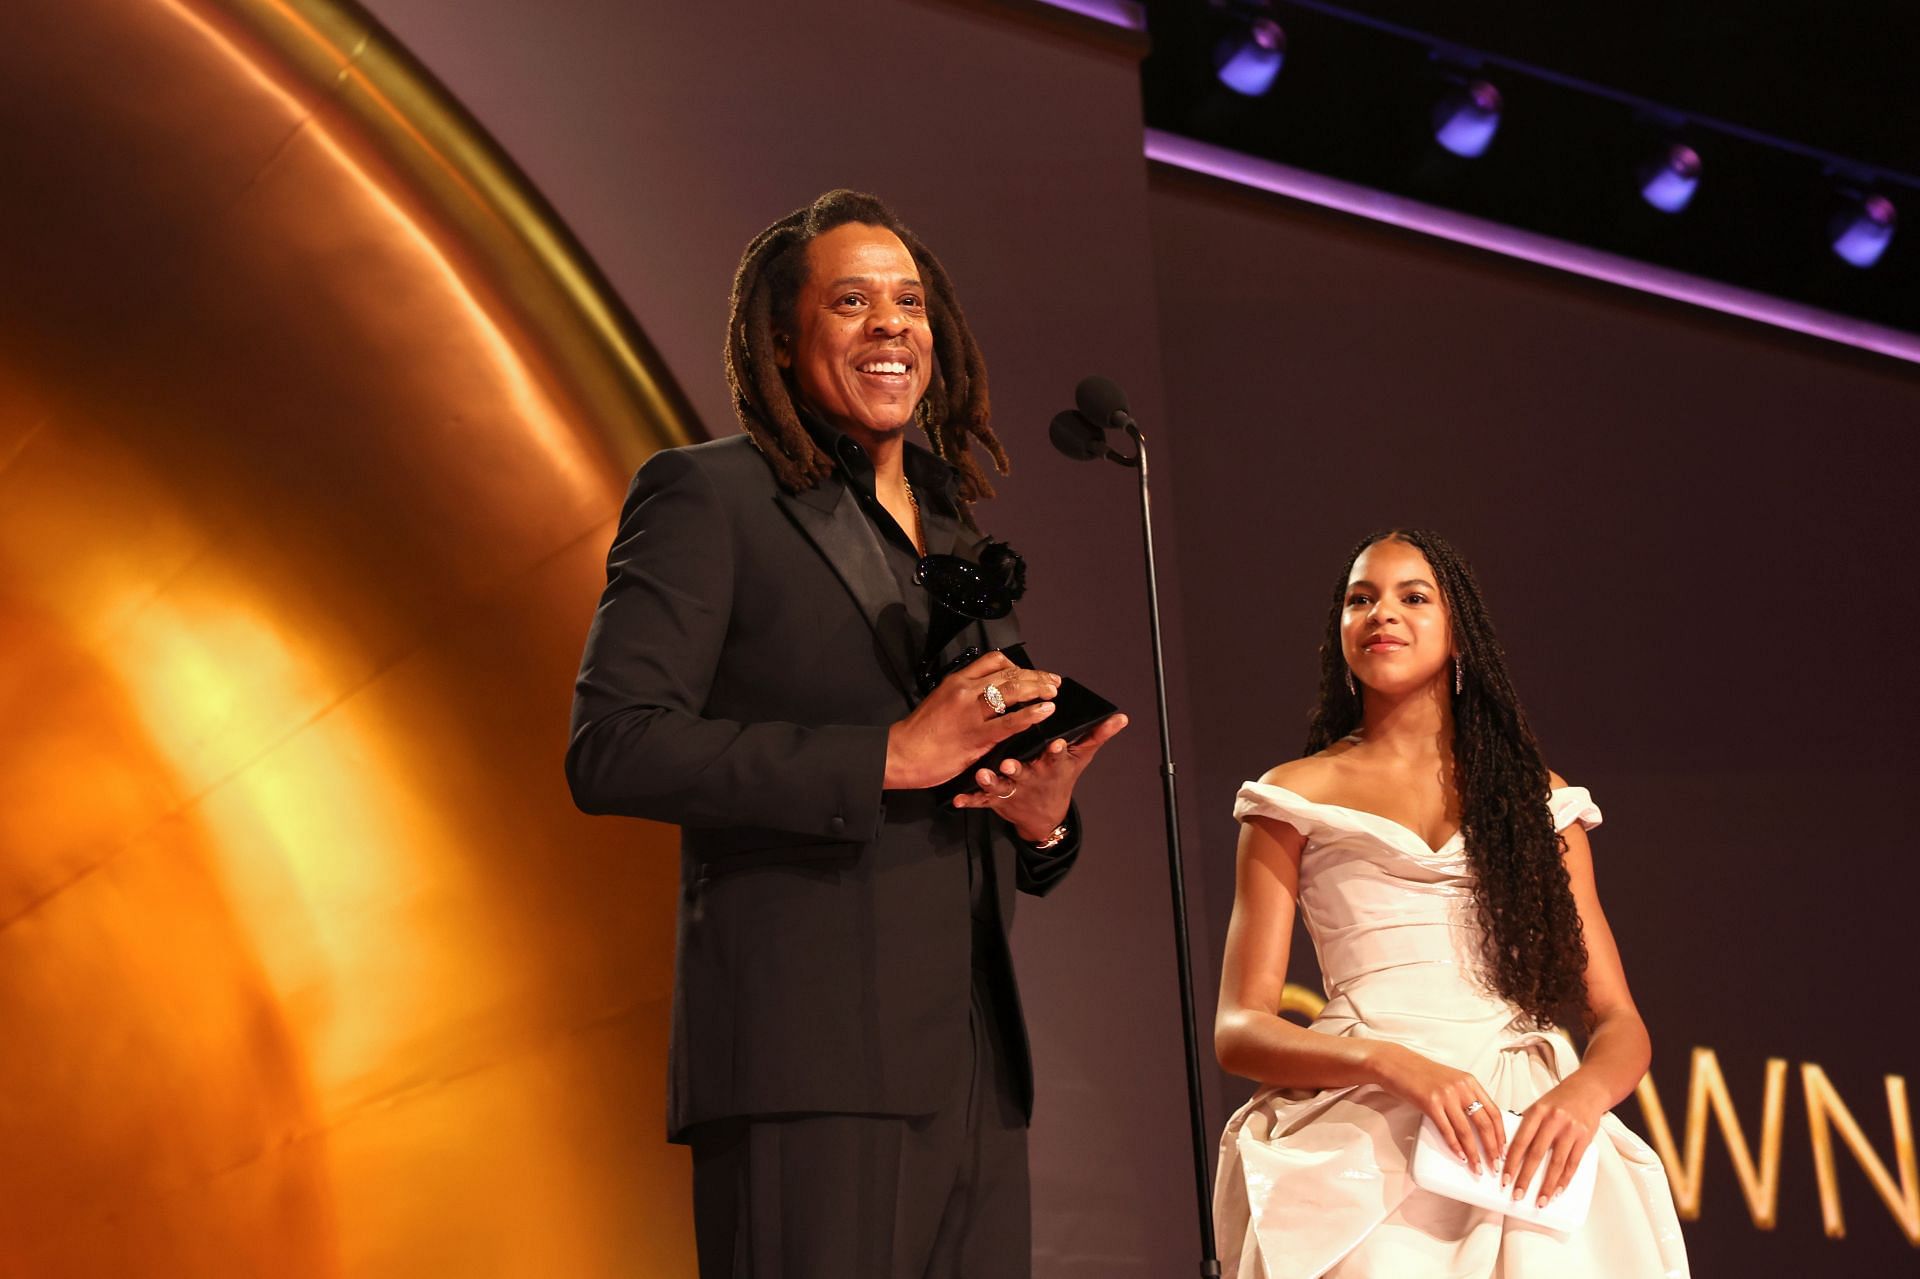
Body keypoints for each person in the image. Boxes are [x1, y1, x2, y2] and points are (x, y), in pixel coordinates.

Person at [565, 188, 1126, 1279]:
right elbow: (614, 742)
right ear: (782, 335)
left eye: (909, 301)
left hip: (972, 1066)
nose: (892, 325)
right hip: (804, 1060)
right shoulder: (706, 495)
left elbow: (985, 795)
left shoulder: (957, 533)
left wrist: (1045, 824)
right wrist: (886, 758)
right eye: (853, 300)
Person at [1212, 529, 1688, 1277]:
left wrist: (1581, 1097)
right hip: (1363, 1130)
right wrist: (1392, 1063)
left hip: (1522, 1124)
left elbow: (1619, 1018)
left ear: (1457, 630)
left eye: (1413, 596)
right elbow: (1240, 1029)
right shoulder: (1290, 796)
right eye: (1359, 599)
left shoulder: (1537, 800)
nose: (1381, 614)